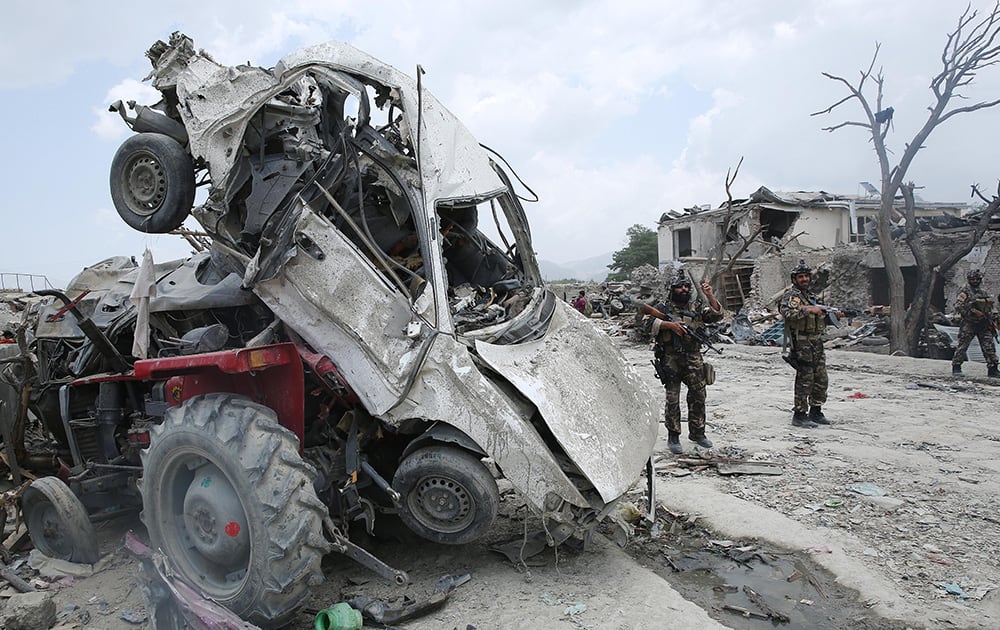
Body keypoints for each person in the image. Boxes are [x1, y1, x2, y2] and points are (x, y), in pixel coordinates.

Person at [641, 272, 722, 454]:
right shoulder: (663, 307)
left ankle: (698, 432)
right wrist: (669, 326)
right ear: (672, 289)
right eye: (679, 286)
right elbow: (646, 323)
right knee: (672, 398)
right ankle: (673, 435)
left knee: (698, 396)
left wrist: (710, 295)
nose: (683, 289)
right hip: (670, 358)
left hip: (693, 357)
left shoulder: (696, 307)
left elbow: (716, 316)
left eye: (686, 286)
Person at [779, 259, 841, 428]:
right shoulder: (792, 297)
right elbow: (787, 313)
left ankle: (816, 410)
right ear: (794, 279)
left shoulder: (812, 297)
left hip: (816, 342)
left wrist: (833, 316)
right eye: (801, 277)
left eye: (806, 276)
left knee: (821, 378)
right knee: (805, 378)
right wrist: (807, 309)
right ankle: (799, 414)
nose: (805, 279)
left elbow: (818, 319)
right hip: (801, 343)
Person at [951, 269, 999, 377]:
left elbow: (991, 306)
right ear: (969, 280)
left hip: (984, 324)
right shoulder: (965, 291)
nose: (975, 281)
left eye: (977, 279)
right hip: (969, 324)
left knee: (989, 347)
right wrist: (972, 312)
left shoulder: (983, 292)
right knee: (963, 346)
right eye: (972, 279)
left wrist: (994, 317)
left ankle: (993, 369)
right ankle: (956, 367)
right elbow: (958, 306)